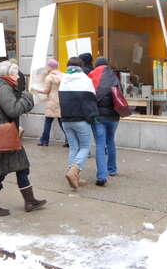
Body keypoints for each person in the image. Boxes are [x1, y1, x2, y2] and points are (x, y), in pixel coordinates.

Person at [0, 60, 46, 216]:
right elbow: (13, 110)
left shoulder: (2, 86)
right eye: (16, 73)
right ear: (9, 74)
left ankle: (30, 201)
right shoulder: (4, 88)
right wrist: (26, 97)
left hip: (7, 135)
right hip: (3, 137)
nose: (18, 76)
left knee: (22, 168)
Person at [59, 56, 98, 189]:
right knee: (85, 147)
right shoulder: (85, 79)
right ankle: (74, 170)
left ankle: (74, 176)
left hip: (65, 120)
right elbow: (92, 101)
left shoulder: (64, 78)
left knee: (73, 147)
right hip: (81, 119)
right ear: (81, 66)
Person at [88, 56, 121, 186]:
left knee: (100, 145)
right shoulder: (114, 76)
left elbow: (89, 97)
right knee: (110, 141)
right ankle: (112, 169)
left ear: (96, 65)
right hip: (113, 116)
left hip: (99, 116)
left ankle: (102, 176)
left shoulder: (91, 75)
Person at [32, 59, 65, 147]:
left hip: (52, 101)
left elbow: (46, 91)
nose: (46, 67)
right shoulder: (63, 75)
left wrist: (35, 89)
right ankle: (69, 140)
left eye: (47, 66)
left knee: (48, 121)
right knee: (62, 121)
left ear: (50, 67)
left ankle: (44, 141)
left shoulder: (49, 77)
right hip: (61, 101)